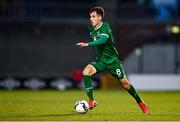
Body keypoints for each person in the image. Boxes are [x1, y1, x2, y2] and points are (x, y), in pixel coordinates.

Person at [76, 7, 149, 114]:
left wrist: (88, 44)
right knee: (85, 72)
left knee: (125, 84)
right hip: (100, 60)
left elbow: (103, 40)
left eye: (93, 16)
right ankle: (91, 101)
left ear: (100, 17)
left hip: (112, 61)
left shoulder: (105, 26)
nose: (91, 19)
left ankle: (141, 103)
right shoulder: (91, 29)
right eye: (90, 17)